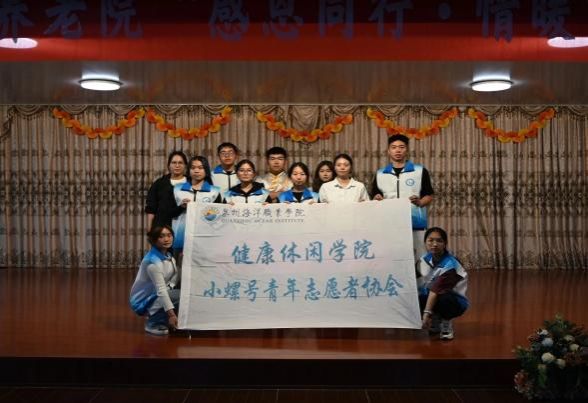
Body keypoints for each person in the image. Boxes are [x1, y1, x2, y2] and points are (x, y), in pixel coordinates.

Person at [372, 134, 434, 258]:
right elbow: (374, 196)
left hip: (415, 223)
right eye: (394, 147)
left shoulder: (420, 171)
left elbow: (429, 195)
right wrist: (377, 199)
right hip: (388, 224)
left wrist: (420, 202)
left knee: (418, 258)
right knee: (391, 258)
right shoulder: (380, 174)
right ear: (388, 151)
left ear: (407, 150)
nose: (398, 150)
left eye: (401, 147)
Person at [416, 227, 468, 341]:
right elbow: (412, 277)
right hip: (432, 294)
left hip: (455, 301)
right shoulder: (424, 259)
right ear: (425, 242)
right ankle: (436, 318)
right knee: (415, 297)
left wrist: (426, 314)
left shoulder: (451, 264)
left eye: (439, 241)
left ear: (445, 244)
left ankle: (446, 321)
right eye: (430, 240)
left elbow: (435, 291)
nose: (434, 244)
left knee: (443, 297)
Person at [129, 226, 180, 336]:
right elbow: (161, 290)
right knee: (178, 296)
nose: (166, 239)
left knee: (181, 295)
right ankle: (153, 323)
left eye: (169, 235)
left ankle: (160, 317)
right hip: (144, 301)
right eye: (161, 236)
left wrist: (181, 262)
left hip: (157, 293)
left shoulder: (168, 256)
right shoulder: (152, 262)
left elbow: (173, 279)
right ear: (154, 240)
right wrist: (171, 315)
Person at [172, 156, 222, 255]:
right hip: (181, 238)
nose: (196, 171)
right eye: (193, 168)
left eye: (200, 168)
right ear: (188, 170)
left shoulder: (214, 191)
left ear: (206, 170)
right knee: (180, 264)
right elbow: (167, 212)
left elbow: (219, 218)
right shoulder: (177, 189)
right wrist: (181, 207)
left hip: (205, 239)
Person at [145, 151, 188, 230]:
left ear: (185, 165)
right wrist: (150, 229)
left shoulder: (191, 183)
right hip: (163, 226)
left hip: (185, 227)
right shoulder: (159, 184)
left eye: (180, 163)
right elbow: (151, 208)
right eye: (174, 162)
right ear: (169, 165)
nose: (177, 165)